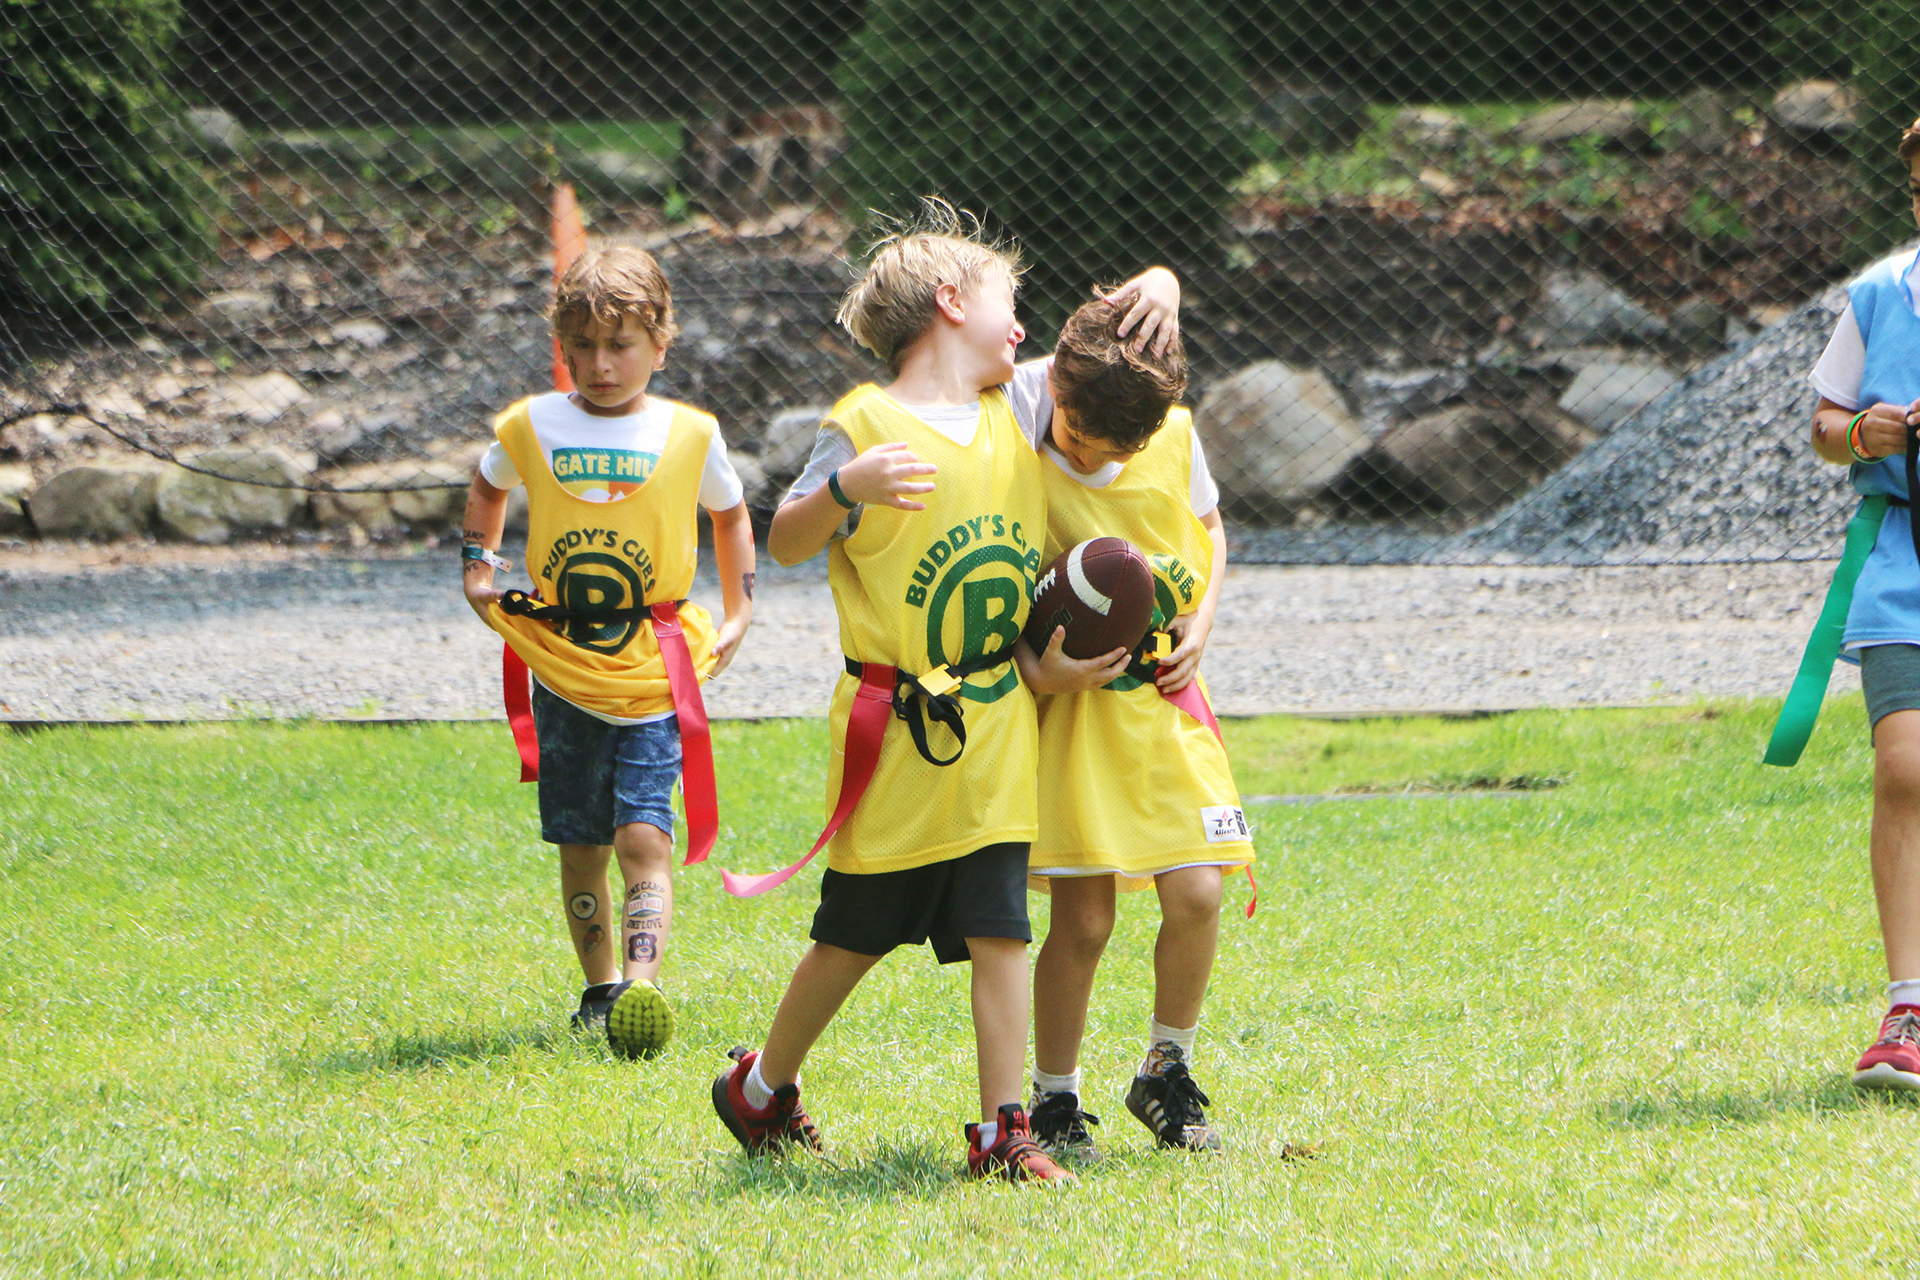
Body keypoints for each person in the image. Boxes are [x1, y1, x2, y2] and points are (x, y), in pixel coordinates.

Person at [709, 201, 1116, 1184]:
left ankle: (1002, 1131)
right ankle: (758, 1087)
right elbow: (788, 541)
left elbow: (1109, 353)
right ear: (949, 302)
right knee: (851, 935)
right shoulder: (862, 424)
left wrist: (1040, 672)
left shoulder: (1015, 407)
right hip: (900, 733)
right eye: (1007, 304)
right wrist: (845, 489)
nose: (1022, 328)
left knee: (1000, 926)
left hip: (994, 720)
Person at [460, 246, 755, 1059]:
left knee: (643, 839)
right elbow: (489, 487)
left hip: (654, 665)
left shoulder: (690, 433)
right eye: (583, 345)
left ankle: (642, 989)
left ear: (661, 346)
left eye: (620, 345)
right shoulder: (531, 426)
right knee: (581, 842)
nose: (600, 364)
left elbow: (729, 516)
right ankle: (598, 995)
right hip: (562, 660)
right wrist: (477, 565)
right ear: (562, 343)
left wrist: (738, 611)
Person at [1002, 294, 1253, 1161]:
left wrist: (1203, 620)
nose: (1078, 452)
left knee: (1200, 892)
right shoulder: (1020, 451)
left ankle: (1163, 1070)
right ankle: (1054, 1098)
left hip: (1168, 707)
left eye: (1103, 452)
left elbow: (1212, 531)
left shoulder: (1176, 437)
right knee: (1084, 921)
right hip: (1078, 720)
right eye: (1070, 435)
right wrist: (1042, 670)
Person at [1805, 115, 1920, 1091]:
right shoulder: (1883, 294)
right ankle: (1908, 1007)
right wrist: (1866, 434)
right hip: (1902, 562)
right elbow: (1823, 425)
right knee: (1904, 763)